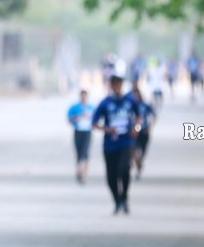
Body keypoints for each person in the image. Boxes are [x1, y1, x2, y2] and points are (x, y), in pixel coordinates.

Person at [92, 73, 141, 215]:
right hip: (110, 144)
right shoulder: (105, 103)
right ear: (111, 86)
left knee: (124, 169)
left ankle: (125, 197)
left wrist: (136, 129)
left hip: (126, 141)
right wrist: (107, 129)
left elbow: (138, 117)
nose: (117, 87)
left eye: (119, 84)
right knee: (111, 176)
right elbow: (94, 123)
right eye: (115, 85)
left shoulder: (129, 100)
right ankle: (117, 200)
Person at [66, 89, 94, 185]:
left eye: (85, 96)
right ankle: (78, 171)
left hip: (87, 131)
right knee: (79, 153)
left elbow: (96, 119)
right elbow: (69, 119)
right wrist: (78, 117)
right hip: (78, 131)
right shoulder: (75, 107)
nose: (83, 98)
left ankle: (83, 175)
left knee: (85, 153)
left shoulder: (91, 107)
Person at [130, 85, 157, 180]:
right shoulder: (129, 106)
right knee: (134, 151)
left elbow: (153, 115)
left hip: (144, 131)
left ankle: (139, 165)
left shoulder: (145, 105)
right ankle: (137, 164)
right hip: (134, 132)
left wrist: (150, 127)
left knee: (142, 152)